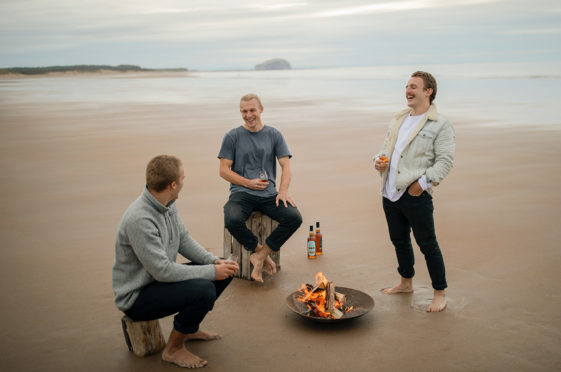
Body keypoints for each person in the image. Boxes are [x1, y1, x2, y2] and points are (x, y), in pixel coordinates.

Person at [112, 155, 239, 368]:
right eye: (183, 177)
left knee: (225, 269)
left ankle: (187, 329)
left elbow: (183, 240)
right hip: (137, 295)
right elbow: (163, 271)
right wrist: (210, 272)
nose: (184, 180)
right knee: (205, 290)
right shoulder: (140, 219)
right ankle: (173, 349)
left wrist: (213, 262)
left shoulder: (168, 202)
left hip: (158, 280)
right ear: (173, 184)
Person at [373, 71, 455, 312]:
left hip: (415, 194)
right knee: (399, 240)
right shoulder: (398, 119)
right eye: (407, 86)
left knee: (427, 244)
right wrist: (378, 161)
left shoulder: (440, 124)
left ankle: (439, 293)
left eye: (414, 87)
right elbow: (383, 150)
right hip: (389, 192)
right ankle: (406, 282)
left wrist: (423, 183)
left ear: (428, 91)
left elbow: (445, 161)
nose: (408, 91)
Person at [218, 93, 302, 283]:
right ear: (241, 112)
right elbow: (223, 171)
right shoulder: (232, 136)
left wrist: (283, 191)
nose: (249, 115)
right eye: (244, 111)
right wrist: (247, 183)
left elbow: (285, 165)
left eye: (252, 110)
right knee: (231, 219)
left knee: (294, 218)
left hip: (269, 194)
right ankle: (258, 252)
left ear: (261, 110)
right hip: (241, 193)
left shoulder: (274, 135)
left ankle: (260, 257)